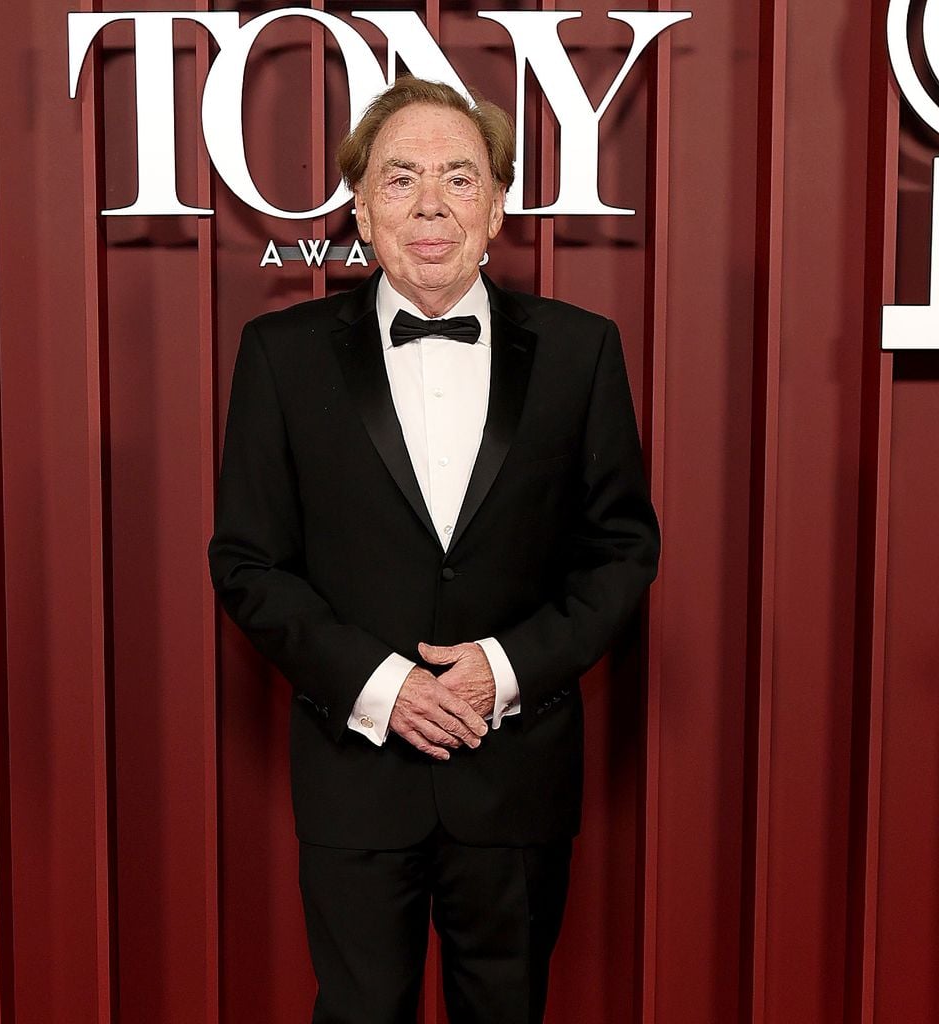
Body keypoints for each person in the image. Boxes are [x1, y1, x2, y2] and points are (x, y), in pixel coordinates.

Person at [208, 75, 660, 1024]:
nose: (429, 206)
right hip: (355, 775)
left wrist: (502, 670)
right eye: (400, 178)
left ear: (497, 207)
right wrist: (384, 687)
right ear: (361, 207)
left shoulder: (583, 354)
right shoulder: (280, 356)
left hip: (518, 779)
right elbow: (248, 563)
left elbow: (620, 552)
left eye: (459, 179)